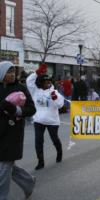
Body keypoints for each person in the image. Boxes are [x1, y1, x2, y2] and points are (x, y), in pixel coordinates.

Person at [0, 61, 37, 199]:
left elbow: (31, 109)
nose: (11, 75)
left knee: (3, 168)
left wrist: (15, 110)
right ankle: (28, 182)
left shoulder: (20, 88)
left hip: (12, 133)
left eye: (13, 72)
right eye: (8, 72)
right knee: (7, 165)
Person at [26, 63, 64, 170]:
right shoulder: (35, 91)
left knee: (54, 139)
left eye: (49, 81)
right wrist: (37, 72)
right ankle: (40, 161)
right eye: (45, 81)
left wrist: (54, 97)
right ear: (41, 82)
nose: (48, 83)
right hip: (38, 120)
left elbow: (60, 105)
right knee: (38, 141)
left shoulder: (54, 92)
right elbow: (29, 81)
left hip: (52, 121)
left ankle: (59, 152)